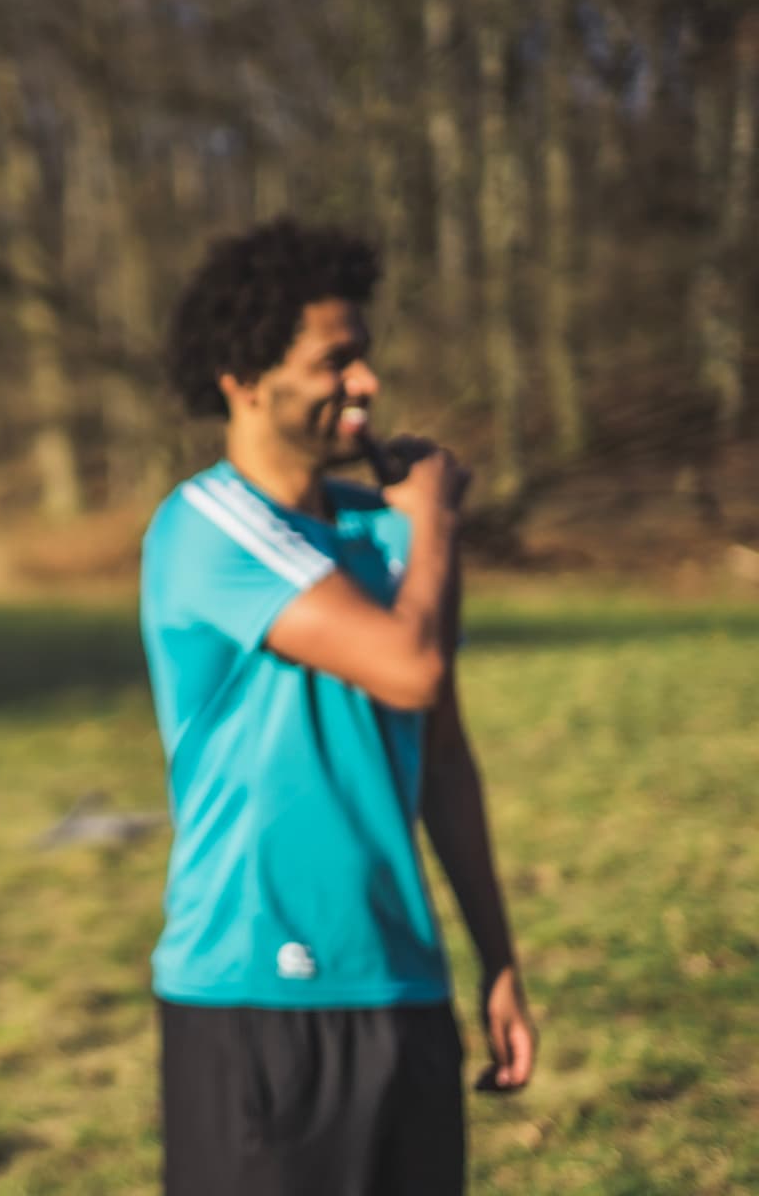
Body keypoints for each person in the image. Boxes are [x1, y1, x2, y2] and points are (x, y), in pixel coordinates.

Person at [140, 219, 538, 1195]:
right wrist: (437, 516)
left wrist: (495, 957)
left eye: (366, 357)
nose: (365, 383)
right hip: (254, 994)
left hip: (404, 981)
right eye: (336, 360)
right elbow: (407, 664)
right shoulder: (206, 522)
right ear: (245, 373)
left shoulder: (386, 531)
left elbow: (439, 749)